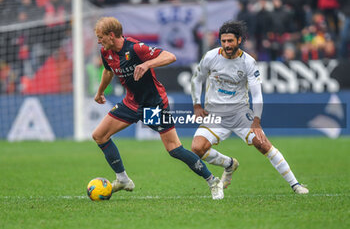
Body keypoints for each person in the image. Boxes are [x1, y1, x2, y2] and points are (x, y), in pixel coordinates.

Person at [92, 17, 224, 200]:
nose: (99, 41)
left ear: (112, 35)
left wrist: (147, 64)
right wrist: (100, 92)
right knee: (99, 135)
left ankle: (213, 180)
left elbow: (171, 56)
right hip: (131, 103)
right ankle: (122, 179)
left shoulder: (135, 48)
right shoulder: (106, 52)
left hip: (153, 105)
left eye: (100, 37)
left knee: (174, 149)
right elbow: (107, 71)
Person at [190, 20, 309, 194]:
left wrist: (256, 121)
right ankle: (229, 164)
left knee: (263, 144)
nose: (226, 45)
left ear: (239, 40)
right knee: (197, 148)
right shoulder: (210, 57)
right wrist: (197, 105)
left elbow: (257, 94)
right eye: (223, 41)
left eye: (230, 41)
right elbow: (196, 79)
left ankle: (296, 185)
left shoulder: (248, 62)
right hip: (215, 114)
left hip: (240, 113)